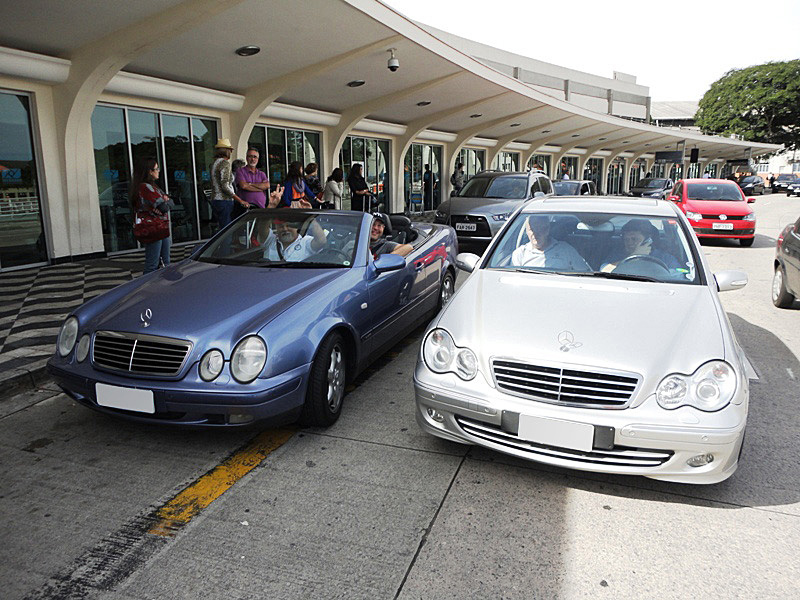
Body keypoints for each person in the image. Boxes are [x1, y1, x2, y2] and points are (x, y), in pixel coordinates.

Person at [130, 157, 174, 274]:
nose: (158, 171)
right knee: (153, 264)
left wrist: (166, 201)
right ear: (150, 171)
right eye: (156, 168)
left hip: (160, 227)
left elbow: (169, 203)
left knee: (165, 262)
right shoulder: (145, 187)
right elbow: (164, 207)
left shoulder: (153, 187)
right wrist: (165, 201)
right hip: (153, 228)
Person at [510, 215, 590, 271]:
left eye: (539, 229)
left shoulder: (565, 250)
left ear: (547, 229)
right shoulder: (520, 253)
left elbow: (585, 273)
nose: (534, 234)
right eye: (531, 230)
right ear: (526, 231)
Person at [601, 218, 681, 272]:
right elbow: (604, 270)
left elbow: (677, 276)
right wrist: (634, 256)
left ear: (648, 240)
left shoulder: (665, 258)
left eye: (634, 239)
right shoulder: (617, 255)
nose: (629, 242)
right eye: (626, 239)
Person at [210, 138, 248, 228]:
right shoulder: (225, 163)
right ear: (227, 151)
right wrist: (240, 200)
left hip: (215, 199)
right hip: (224, 200)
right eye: (230, 150)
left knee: (220, 228)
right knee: (226, 229)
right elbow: (225, 186)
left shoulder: (214, 164)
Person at [261, 216, 327, 261]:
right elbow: (262, 227)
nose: (285, 229)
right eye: (281, 226)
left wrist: (310, 218)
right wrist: (269, 208)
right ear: (276, 228)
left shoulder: (305, 241)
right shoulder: (270, 240)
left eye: (289, 225)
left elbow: (321, 241)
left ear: (297, 226)